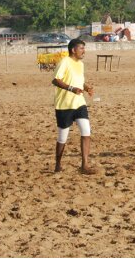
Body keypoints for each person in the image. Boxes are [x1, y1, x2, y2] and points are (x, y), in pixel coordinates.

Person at [51, 38, 96, 174]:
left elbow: (79, 81)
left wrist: (86, 87)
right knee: (62, 137)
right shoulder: (64, 62)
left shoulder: (80, 64)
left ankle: (85, 166)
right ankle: (58, 164)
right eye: (81, 48)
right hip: (64, 105)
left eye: (84, 48)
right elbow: (55, 80)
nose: (84, 51)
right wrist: (71, 89)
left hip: (79, 103)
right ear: (73, 50)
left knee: (86, 131)